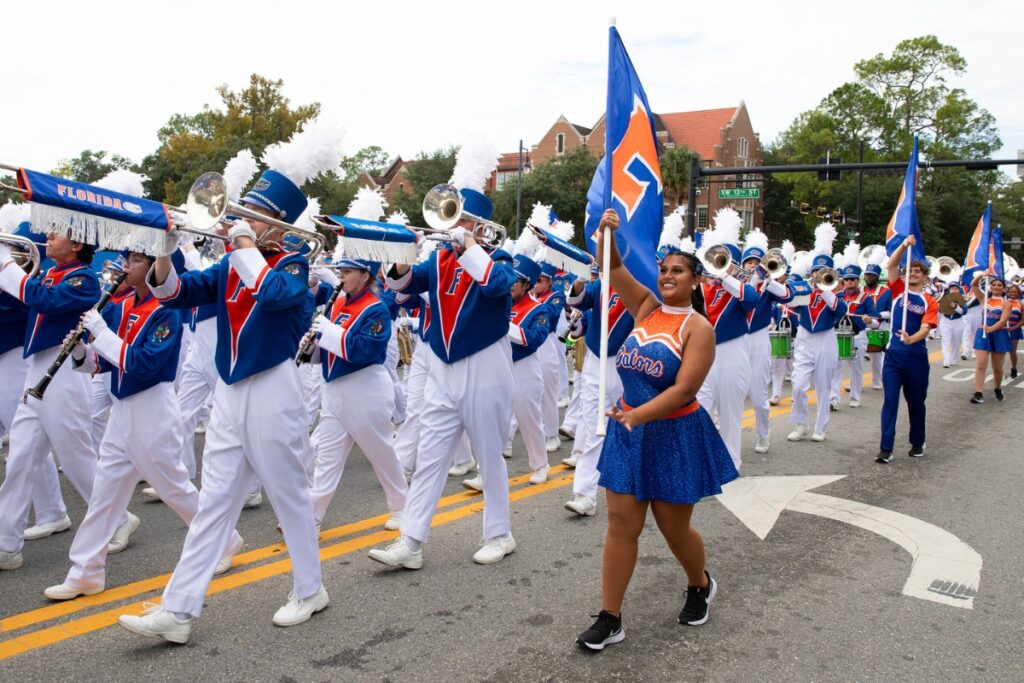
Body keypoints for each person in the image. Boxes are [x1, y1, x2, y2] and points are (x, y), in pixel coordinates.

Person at [119, 169, 328, 643]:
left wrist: (240, 241)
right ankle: (178, 609)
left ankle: (310, 588)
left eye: (254, 216)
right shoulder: (233, 263)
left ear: (277, 225)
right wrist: (165, 250)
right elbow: (175, 294)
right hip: (230, 391)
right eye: (240, 213)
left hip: (275, 386)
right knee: (213, 502)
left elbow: (274, 295)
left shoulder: (293, 264)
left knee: (289, 493)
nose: (238, 219)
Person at [575, 210, 738, 651]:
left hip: (671, 434)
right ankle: (610, 617)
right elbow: (611, 266)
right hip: (629, 429)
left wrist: (638, 415)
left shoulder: (698, 328)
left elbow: (685, 390)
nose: (667, 275)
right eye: (664, 269)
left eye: (678, 270)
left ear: (696, 280)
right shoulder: (646, 306)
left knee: (674, 530)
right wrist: (606, 232)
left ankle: (699, 583)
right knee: (620, 526)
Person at [44, 251, 242, 600]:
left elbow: (143, 363)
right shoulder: (120, 307)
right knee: (105, 494)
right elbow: (103, 366)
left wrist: (102, 334)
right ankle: (86, 571)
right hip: (122, 410)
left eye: (134, 260)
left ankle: (224, 540)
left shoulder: (167, 311)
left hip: (152, 407)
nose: (125, 267)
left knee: (175, 488)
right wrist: (79, 352)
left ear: (152, 267)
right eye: (126, 259)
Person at [369, 187, 517, 568]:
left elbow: (497, 287)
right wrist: (404, 254)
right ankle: (412, 541)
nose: (452, 224)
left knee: (489, 455)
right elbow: (401, 286)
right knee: (430, 456)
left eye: (461, 218)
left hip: (485, 364)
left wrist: (469, 247)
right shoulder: (439, 260)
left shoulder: (500, 258)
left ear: (479, 226)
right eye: (453, 217)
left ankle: (499, 534)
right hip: (441, 366)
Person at [0, 230, 108, 571]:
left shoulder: (85, 280)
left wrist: (5, 264)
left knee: (77, 458)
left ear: (76, 245)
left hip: (63, 370)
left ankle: (117, 520)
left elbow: (43, 301)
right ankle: (6, 544)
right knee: (19, 457)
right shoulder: (49, 272)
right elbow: (31, 295)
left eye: (57, 233)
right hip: (39, 368)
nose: (48, 236)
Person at [306, 258, 407, 530]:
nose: (341, 276)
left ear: (365, 276)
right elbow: (328, 349)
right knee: (327, 458)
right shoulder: (337, 303)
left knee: (381, 454)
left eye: (348, 272)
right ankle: (312, 517)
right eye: (341, 271)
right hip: (336, 390)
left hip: (365, 389)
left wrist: (329, 332)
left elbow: (365, 350)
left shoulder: (376, 309)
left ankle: (401, 507)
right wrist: (313, 344)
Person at [875, 236, 939, 463]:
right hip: (893, 356)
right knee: (890, 400)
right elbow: (891, 265)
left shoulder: (929, 301)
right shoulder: (897, 290)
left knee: (915, 402)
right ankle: (886, 448)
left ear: (924, 276)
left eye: (917, 271)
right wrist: (904, 245)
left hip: (916, 357)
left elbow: (926, 328)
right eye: (909, 270)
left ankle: (917, 441)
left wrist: (912, 339)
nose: (912, 274)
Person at [787, 251, 847, 443]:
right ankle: (801, 424)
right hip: (805, 338)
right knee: (798, 385)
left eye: (823, 271)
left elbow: (840, 310)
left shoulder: (834, 294)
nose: (819, 274)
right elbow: (791, 305)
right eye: (816, 271)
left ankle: (820, 427)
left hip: (826, 339)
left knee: (823, 386)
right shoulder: (804, 289)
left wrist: (825, 290)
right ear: (811, 273)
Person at [968, 272, 1011, 405]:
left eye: (999, 285)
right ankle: (978, 393)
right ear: (990, 287)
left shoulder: (1006, 303)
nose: (996, 287)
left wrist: (992, 329)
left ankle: (998, 388)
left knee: (997, 367)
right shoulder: (984, 299)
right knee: (981, 364)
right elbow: (974, 285)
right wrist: (982, 274)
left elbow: (1003, 320)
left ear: (1003, 288)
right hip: (983, 333)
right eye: (994, 285)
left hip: (998, 334)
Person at [937, 280, 967, 368]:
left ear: (958, 290)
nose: (954, 290)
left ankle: (953, 360)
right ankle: (946, 361)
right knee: (946, 341)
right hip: (946, 321)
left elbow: (964, 312)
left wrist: (955, 307)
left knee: (956, 342)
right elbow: (940, 310)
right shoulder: (945, 298)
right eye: (952, 288)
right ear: (949, 290)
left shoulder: (962, 299)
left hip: (958, 321)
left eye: (956, 288)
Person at [1005, 284, 1022, 378]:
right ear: (1008, 292)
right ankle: (999, 368)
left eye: (1015, 292)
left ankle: (1014, 368)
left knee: (1012, 351)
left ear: (1018, 293)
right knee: (1000, 350)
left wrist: (1013, 328)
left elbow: (1023, 320)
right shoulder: (1004, 302)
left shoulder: (1021, 304)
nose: (1013, 293)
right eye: (1011, 291)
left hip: (1014, 329)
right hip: (1003, 329)